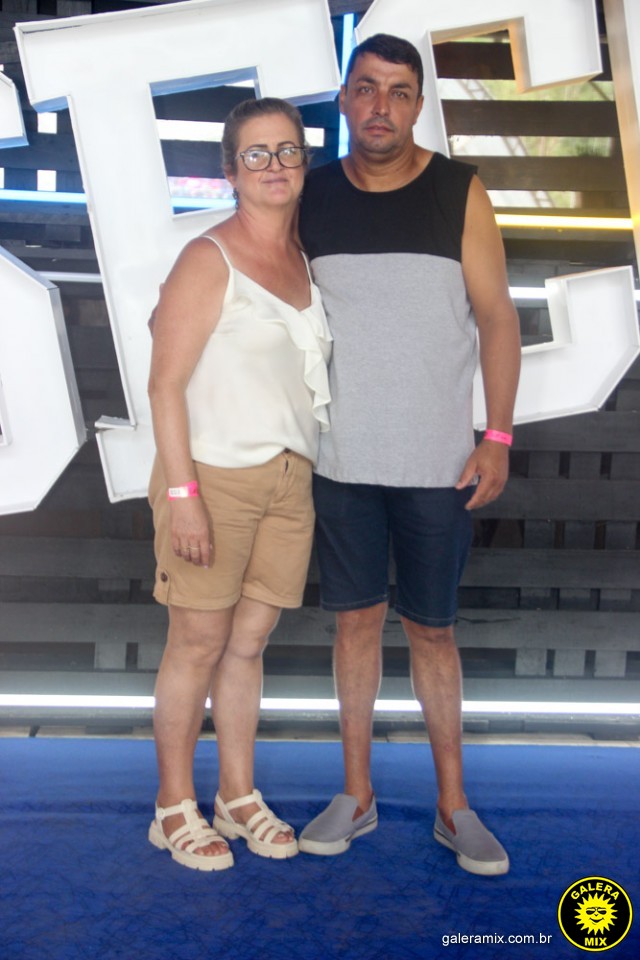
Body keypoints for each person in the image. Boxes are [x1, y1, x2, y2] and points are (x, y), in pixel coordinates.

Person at [296, 34, 521, 876]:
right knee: (355, 624)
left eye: (398, 91)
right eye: (366, 88)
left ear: (418, 104)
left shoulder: (459, 190)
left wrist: (497, 435)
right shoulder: (312, 195)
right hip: (340, 458)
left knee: (433, 631)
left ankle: (453, 806)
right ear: (344, 100)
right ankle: (356, 796)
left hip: (438, 464)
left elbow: (497, 317)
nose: (381, 106)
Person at [146, 97, 331, 871]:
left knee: (248, 644)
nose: (274, 165)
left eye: (287, 150)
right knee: (197, 641)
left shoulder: (305, 263)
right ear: (230, 169)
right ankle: (172, 808)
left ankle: (236, 795)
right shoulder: (207, 257)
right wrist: (182, 494)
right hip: (213, 477)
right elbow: (164, 384)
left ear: (303, 163)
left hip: (290, 480)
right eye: (256, 153)